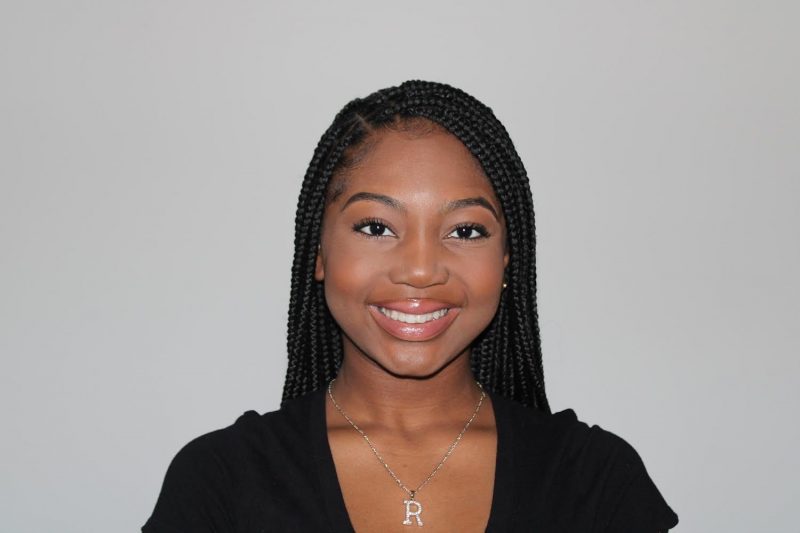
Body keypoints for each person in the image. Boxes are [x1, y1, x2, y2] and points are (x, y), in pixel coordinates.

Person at [142, 80, 679, 532]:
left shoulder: (596, 482)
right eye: (377, 227)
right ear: (319, 252)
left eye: (465, 230)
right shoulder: (220, 483)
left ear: (507, 260)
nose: (421, 270)